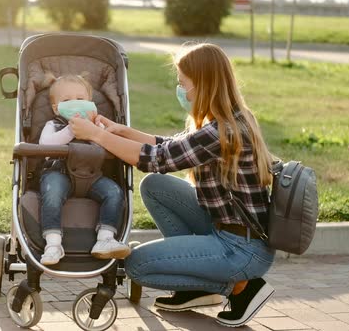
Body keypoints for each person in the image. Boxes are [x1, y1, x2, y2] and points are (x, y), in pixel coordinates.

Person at [69, 43, 276, 327]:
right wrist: (123, 132)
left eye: (183, 84)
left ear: (203, 85)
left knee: (137, 266)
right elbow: (172, 146)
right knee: (155, 186)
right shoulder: (230, 119)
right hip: (230, 230)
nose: (180, 90)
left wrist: (97, 136)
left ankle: (240, 288)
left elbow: (156, 159)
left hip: (241, 249)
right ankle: (196, 288)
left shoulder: (222, 132)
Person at [38, 73, 131, 265]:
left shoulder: (97, 127)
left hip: (92, 176)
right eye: (67, 100)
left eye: (80, 99)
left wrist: (95, 132)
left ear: (91, 104)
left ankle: (105, 238)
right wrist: (71, 130)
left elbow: (109, 148)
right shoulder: (53, 125)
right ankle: (53, 244)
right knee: (52, 192)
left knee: (114, 192)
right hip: (59, 173)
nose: (75, 103)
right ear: (56, 108)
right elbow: (45, 144)